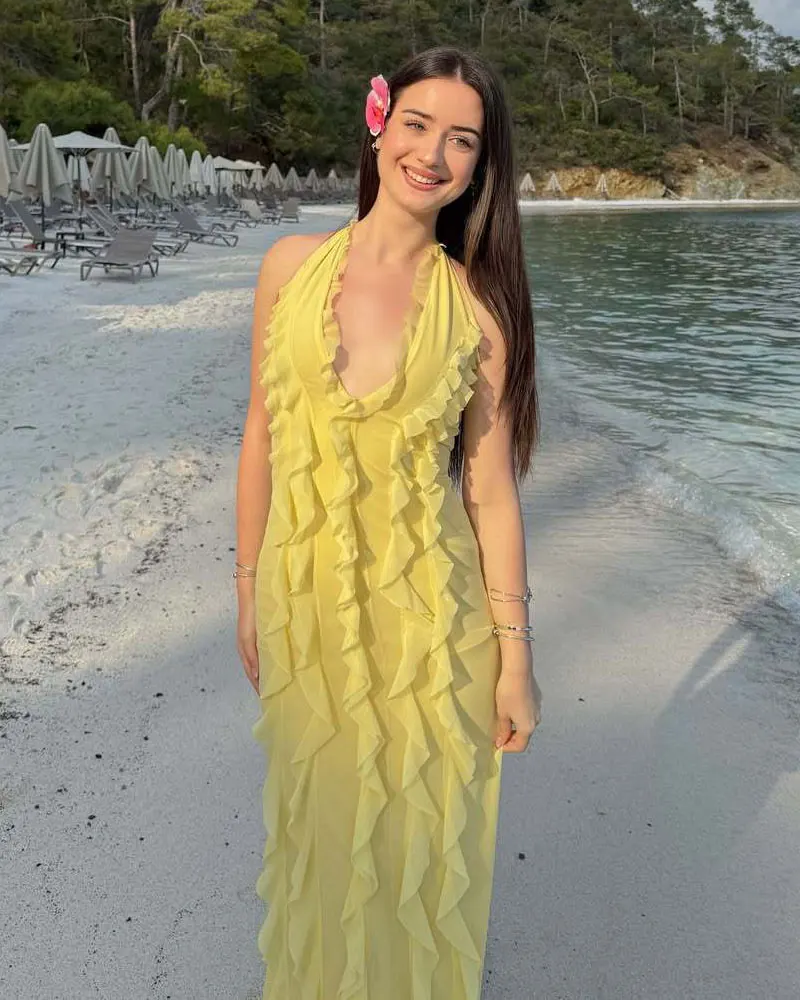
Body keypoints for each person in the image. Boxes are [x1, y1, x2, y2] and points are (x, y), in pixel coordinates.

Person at [235, 44, 541, 1000]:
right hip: (305, 609)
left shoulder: (478, 311)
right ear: (378, 126)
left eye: (463, 141)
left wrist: (516, 658)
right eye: (417, 124)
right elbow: (261, 435)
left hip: (431, 631)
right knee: (321, 836)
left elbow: (490, 493)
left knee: (420, 851)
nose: (433, 155)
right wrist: (246, 589)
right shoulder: (288, 267)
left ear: (480, 168)